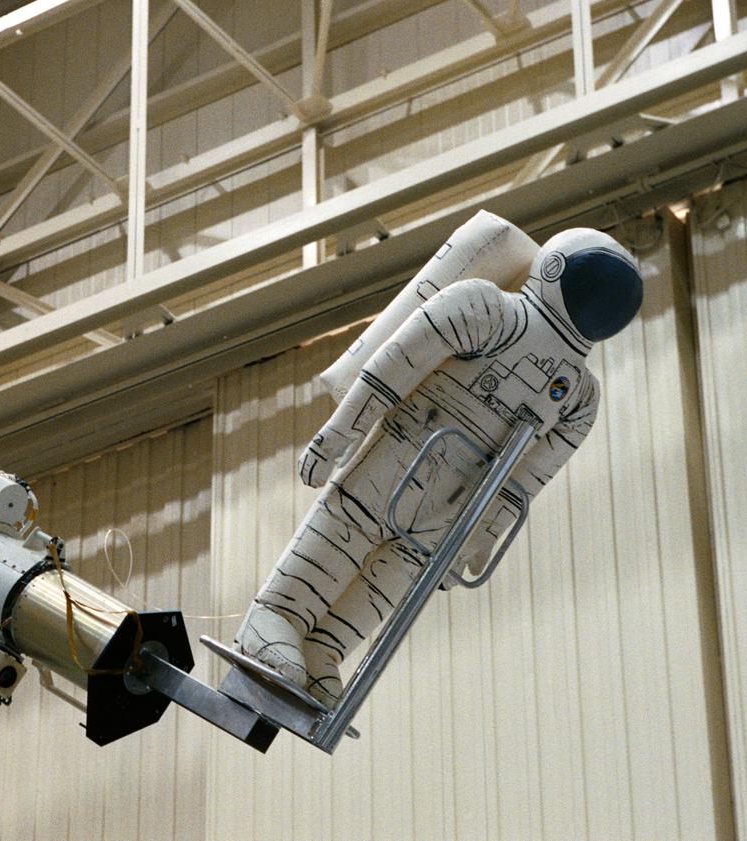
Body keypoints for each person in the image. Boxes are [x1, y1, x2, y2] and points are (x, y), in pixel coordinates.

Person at [235, 224, 644, 708]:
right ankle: (277, 615)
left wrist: (476, 542)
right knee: (347, 530)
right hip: (399, 453)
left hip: (455, 504)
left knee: (395, 574)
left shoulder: (579, 395)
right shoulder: (489, 309)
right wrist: (337, 435)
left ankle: (326, 648)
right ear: (553, 268)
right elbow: (394, 367)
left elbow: (524, 483)